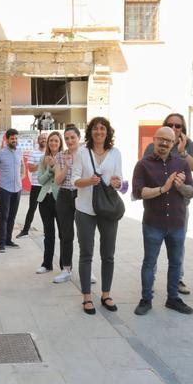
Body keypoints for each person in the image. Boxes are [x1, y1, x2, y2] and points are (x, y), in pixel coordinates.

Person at [132, 127, 193, 316]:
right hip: (153, 223)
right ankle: (146, 299)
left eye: (168, 140)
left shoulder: (182, 164)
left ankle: (173, 298)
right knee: (149, 263)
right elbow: (138, 192)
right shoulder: (143, 164)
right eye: (161, 139)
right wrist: (163, 188)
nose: (164, 143)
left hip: (177, 222)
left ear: (173, 143)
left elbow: (192, 190)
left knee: (176, 262)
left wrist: (181, 186)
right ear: (154, 140)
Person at [143, 113, 193, 295]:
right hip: (156, 208)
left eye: (178, 126)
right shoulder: (153, 146)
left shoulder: (190, 146)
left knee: (177, 249)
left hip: (179, 207)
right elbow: (146, 170)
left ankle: (177, 282)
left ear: (183, 129)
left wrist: (183, 152)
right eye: (171, 125)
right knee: (151, 254)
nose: (175, 129)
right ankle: (148, 288)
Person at [72, 117, 124, 315]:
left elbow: (122, 182)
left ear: (108, 132)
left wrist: (118, 183)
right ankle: (87, 296)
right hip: (85, 209)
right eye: (95, 128)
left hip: (108, 210)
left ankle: (106, 294)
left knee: (108, 254)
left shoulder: (115, 153)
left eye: (102, 128)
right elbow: (75, 180)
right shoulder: (83, 153)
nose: (99, 132)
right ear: (90, 132)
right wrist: (88, 181)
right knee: (86, 253)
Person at [52, 125, 81, 284]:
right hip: (63, 195)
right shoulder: (60, 156)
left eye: (72, 137)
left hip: (81, 194)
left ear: (79, 138)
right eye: (67, 138)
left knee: (84, 235)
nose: (70, 141)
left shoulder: (86, 154)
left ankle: (86, 269)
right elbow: (57, 180)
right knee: (66, 234)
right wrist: (67, 167)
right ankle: (66, 268)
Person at [0, 128, 25, 252]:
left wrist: (21, 177)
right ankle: (1, 243)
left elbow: (22, 166)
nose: (14, 140)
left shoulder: (19, 152)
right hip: (5, 189)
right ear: (7, 139)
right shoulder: (1, 153)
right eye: (12, 138)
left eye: (16, 138)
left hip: (17, 189)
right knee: (4, 216)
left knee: (12, 216)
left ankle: (9, 240)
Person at [34, 131, 63, 274]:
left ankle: (65, 265)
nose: (53, 143)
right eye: (51, 140)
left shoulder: (65, 158)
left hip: (60, 200)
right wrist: (49, 169)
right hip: (45, 199)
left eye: (56, 141)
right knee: (49, 233)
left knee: (64, 234)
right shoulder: (43, 159)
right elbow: (40, 180)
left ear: (60, 143)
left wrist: (55, 166)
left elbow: (63, 179)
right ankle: (47, 264)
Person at [17, 132, 46, 237]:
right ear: (38, 141)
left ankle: (47, 231)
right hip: (36, 185)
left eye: (45, 138)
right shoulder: (33, 153)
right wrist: (41, 163)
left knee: (46, 210)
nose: (43, 140)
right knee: (32, 208)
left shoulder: (51, 153)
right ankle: (25, 230)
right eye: (41, 138)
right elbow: (31, 168)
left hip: (47, 187)